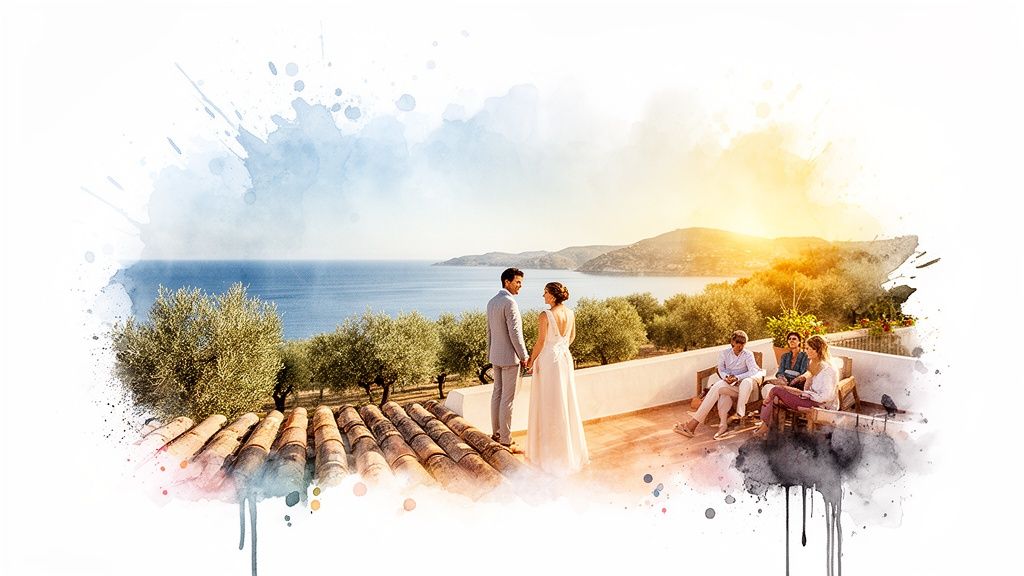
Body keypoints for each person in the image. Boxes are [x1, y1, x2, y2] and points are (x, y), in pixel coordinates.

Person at [525, 282, 589, 476]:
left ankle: (549, 455)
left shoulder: (545, 315)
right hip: (564, 358)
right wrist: (561, 347)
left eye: (545, 292)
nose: (543, 296)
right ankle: (568, 452)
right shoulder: (570, 313)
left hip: (548, 360)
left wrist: (530, 360)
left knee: (548, 404)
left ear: (552, 296)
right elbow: (572, 337)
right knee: (565, 401)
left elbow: (541, 341)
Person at [673, 330, 762, 440]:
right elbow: (721, 369)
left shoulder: (748, 354)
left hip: (747, 387)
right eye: (738, 342)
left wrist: (737, 377)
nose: (740, 345)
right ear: (732, 342)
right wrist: (727, 378)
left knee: (742, 383)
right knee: (718, 386)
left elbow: (753, 371)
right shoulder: (724, 353)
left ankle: (738, 414)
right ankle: (716, 425)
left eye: (743, 343)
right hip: (733, 387)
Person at [753, 334, 839, 436]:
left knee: (775, 391)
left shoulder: (828, 370)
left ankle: (765, 427)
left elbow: (826, 397)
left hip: (819, 405)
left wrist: (805, 394)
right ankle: (766, 426)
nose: (807, 351)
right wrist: (803, 391)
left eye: (810, 349)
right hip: (810, 398)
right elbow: (809, 384)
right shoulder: (816, 364)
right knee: (774, 394)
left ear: (818, 350)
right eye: (806, 348)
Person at [487, 268, 529, 454]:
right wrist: (524, 355)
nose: (520, 285)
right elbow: (515, 333)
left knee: (497, 394)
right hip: (510, 358)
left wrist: (490, 353)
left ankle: (496, 434)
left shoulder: (492, 302)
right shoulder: (510, 303)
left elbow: (489, 332)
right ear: (507, 282)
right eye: (518, 282)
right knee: (507, 399)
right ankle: (506, 440)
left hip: (496, 356)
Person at [761, 331, 809, 399]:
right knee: (765, 383)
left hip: (797, 384)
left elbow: (803, 373)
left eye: (794, 339)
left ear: (799, 342)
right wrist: (782, 377)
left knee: (775, 388)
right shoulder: (785, 356)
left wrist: (792, 380)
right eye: (789, 339)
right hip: (784, 381)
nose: (791, 341)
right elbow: (780, 372)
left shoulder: (805, 356)